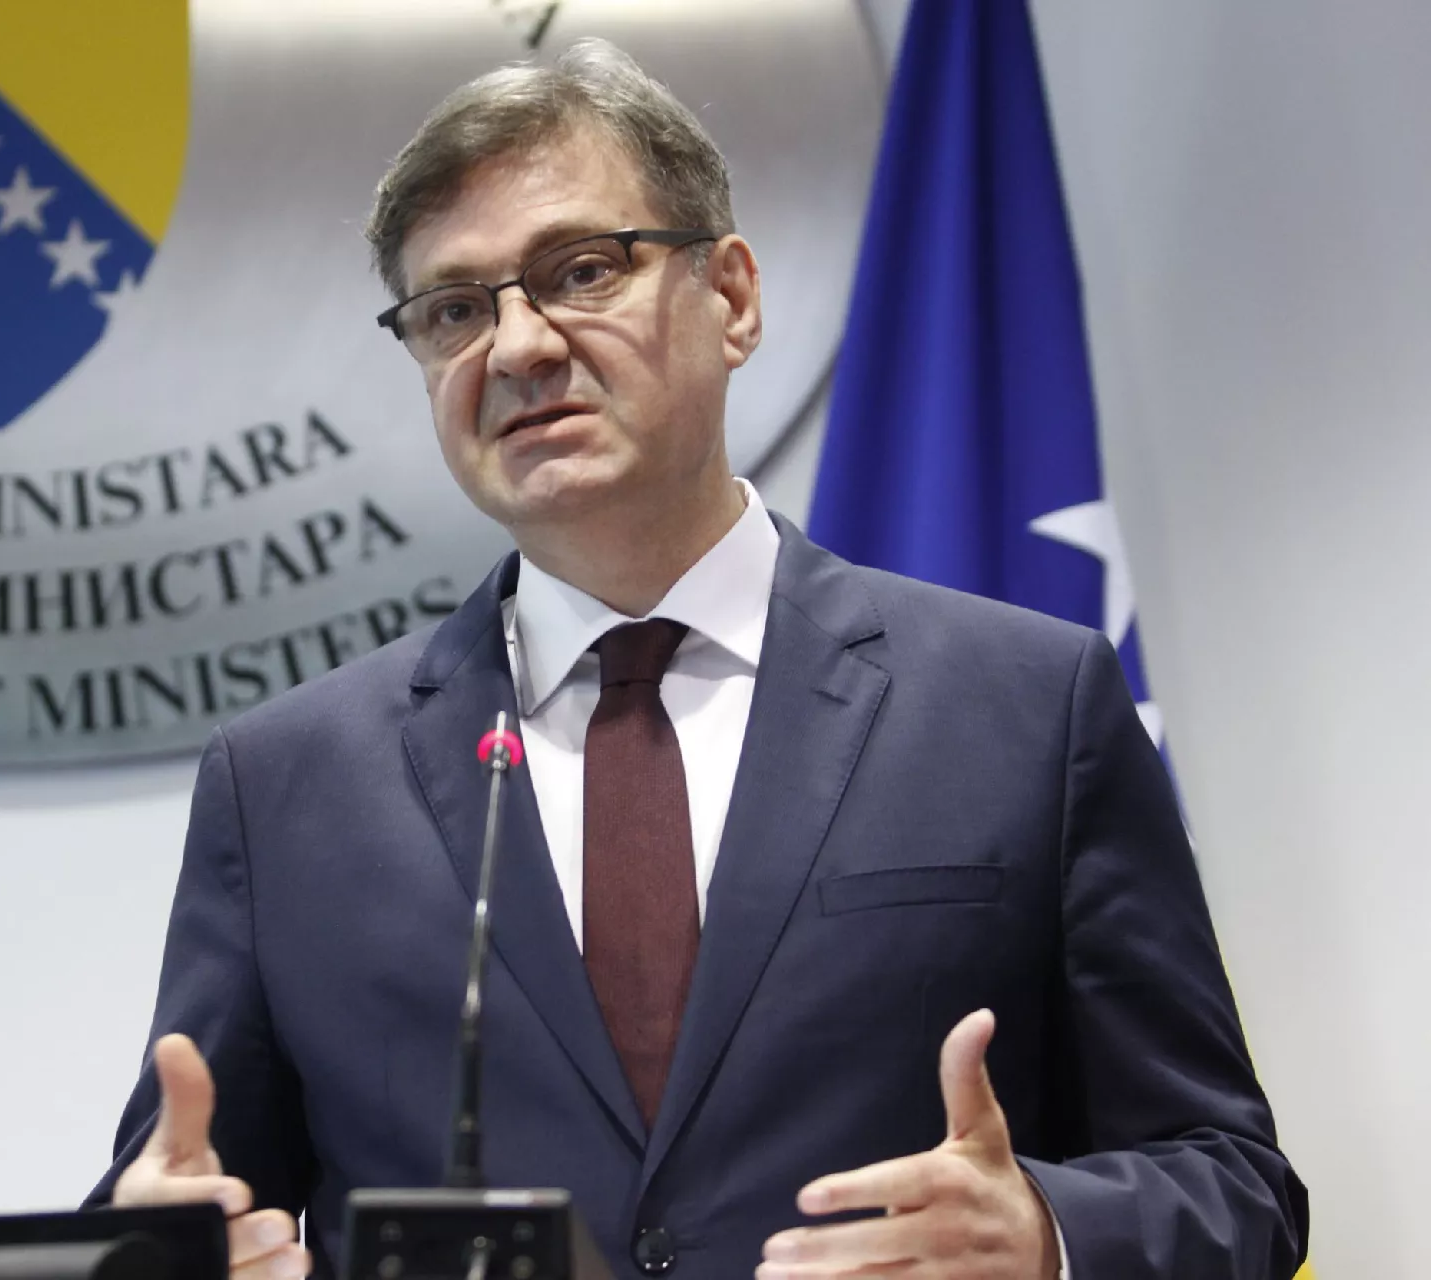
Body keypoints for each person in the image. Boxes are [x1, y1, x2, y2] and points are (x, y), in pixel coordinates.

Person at [88, 40, 1307, 1280]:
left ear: (730, 296)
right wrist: (159, 1252)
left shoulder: (1027, 706)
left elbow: (1234, 1185)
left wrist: (1044, 1232)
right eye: (455, 309)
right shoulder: (286, 785)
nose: (517, 346)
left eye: (581, 270)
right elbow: (186, 1204)